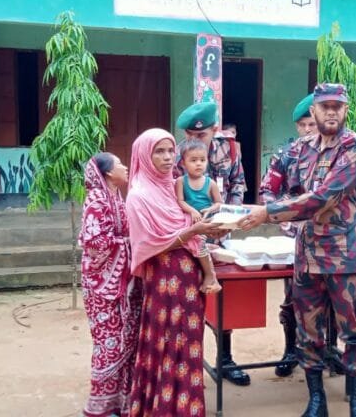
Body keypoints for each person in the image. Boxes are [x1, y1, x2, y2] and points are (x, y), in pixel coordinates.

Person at [242, 83, 356, 417]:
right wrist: (283, 218)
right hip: (308, 259)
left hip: (345, 258)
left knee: (354, 332)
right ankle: (317, 401)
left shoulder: (355, 149)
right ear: (313, 111)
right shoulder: (298, 149)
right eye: (325, 106)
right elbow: (269, 186)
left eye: (337, 106)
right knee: (308, 331)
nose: (331, 111)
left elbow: (322, 197)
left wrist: (269, 214)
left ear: (346, 111)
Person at [126, 128, 225, 417]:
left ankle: (184, 407)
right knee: (168, 343)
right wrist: (194, 230)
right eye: (160, 151)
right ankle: (166, 409)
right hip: (165, 283)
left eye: (170, 150)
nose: (168, 157)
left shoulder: (171, 188)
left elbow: (190, 224)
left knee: (188, 345)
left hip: (188, 279)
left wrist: (205, 228)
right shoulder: (139, 196)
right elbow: (148, 244)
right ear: (144, 155)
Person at [174, 102, 250, 386]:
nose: (194, 141)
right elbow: (173, 196)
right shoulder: (179, 153)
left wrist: (228, 218)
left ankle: (225, 359)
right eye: (189, 134)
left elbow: (238, 185)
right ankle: (186, 362)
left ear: (215, 130)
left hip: (221, 233)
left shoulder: (229, 150)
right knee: (185, 300)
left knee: (223, 297)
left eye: (202, 135)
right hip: (187, 236)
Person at [78, 152, 142, 417]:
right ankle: (102, 406)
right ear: (106, 174)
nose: (125, 167)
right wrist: (127, 243)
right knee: (108, 343)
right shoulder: (96, 200)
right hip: (101, 288)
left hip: (120, 285)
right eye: (119, 165)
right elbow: (94, 244)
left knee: (124, 341)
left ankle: (122, 402)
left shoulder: (115, 197)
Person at [258, 92, 315, 378]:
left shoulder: (335, 154)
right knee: (293, 296)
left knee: (328, 298)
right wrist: (280, 214)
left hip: (329, 238)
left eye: (311, 124)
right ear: (296, 127)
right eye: (302, 125)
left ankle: (328, 349)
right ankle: (291, 350)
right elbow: (267, 190)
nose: (307, 130)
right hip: (295, 236)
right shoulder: (287, 154)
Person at [176, 140, 223, 222]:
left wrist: (210, 209)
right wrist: (192, 211)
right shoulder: (181, 181)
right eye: (193, 160)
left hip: (207, 221)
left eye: (202, 160)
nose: (198, 164)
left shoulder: (211, 183)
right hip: (188, 221)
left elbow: (219, 203)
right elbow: (180, 201)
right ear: (183, 163)